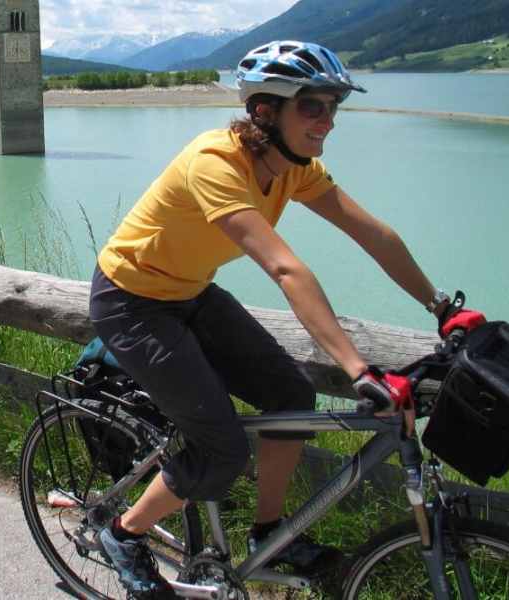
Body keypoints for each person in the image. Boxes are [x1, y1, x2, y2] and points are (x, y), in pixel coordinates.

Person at [88, 40, 485, 598]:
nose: (327, 121)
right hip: (131, 301)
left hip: (190, 293)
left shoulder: (293, 167)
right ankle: (123, 531)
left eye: (333, 107)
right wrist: (357, 370)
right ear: (264, 111)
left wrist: (442, 308)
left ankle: (268, 534)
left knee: (292, 398)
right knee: (221, 450)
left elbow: (372, 233)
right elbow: (284, 268)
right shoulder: (215, 163)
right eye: (312, 106)